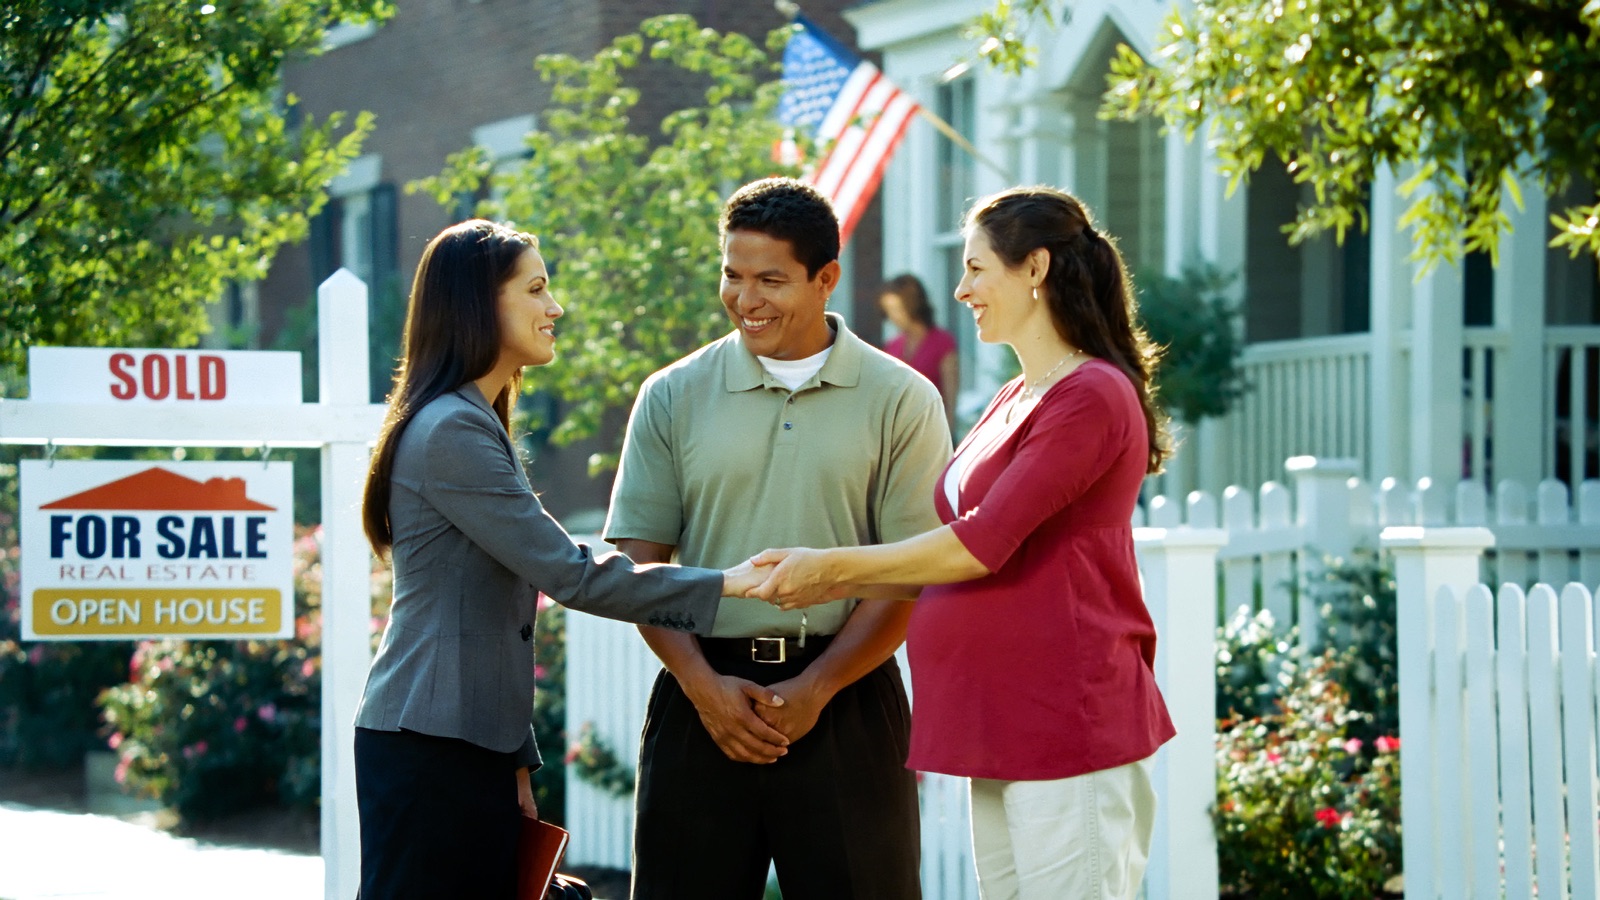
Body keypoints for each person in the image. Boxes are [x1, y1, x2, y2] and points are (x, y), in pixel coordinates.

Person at [749, 186, 1175, 900]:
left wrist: (831, 571)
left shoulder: (1091, 395)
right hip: (1002, 722)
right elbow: (946, 547)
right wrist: (804, 571)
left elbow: (983, 543)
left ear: (1034, 268)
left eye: (977, 268)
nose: (961, 287)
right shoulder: (1016, 396)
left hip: (1068, 720)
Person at [353, 219, 767, 900]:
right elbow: (569, 572)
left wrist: (515, 761)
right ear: (478, 305)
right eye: (538, 288)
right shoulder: (452, 428)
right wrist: (734, 586)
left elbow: (497, 616)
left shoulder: (470, 417)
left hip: (463, 744)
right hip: (430, 747)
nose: (557, 307)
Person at [604, 177, 952, 900]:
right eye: (732, 275)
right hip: (700, 695)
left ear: (826, 278)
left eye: (771, 280)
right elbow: (639, 564)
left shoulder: (902, 398)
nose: (745, 299)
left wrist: (815, 688)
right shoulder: (671, 394)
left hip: (847, 699)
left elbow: (906, 574)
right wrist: (705, 690)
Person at [879, 273, 959, 426]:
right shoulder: (892, 346)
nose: (892, 317)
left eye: (896, 309)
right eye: (888, 311)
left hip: (933, 428)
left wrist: (947, 434)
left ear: (912, 305)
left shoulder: (943, 343)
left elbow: (951, 399)